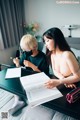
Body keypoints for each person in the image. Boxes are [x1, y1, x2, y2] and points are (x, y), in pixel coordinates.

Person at [20, 28, 79, 120]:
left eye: (48, 40)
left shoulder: (67, 54)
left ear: (56, 39)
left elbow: (77, 76)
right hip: (65, 83)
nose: (45, 44)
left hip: (75, 85)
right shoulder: (52, 54)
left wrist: (60, 81)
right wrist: (63, 80)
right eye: (45, 41)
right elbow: (55, 71)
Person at [8, 34, 49, 115]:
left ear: (34, 47)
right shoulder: (25, 55)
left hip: (38, 79)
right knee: (14, 82)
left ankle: (21, 99)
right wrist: (17, 63)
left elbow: (44, 75)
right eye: (24, 50)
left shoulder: (43, 57)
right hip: (27, 78)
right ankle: (18, 101)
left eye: (26, 50)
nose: (24, 52)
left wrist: (32, 66)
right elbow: (20, 66)